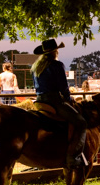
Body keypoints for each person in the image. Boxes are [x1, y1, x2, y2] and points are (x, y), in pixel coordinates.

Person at [32, 39, 87, 168]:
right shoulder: (57, 65)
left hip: (39, 100)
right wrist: (68, 99)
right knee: (81, 122)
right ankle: (73, 157)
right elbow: (63, 87)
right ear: (55, 51)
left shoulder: (35, 66)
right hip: (54, 100)